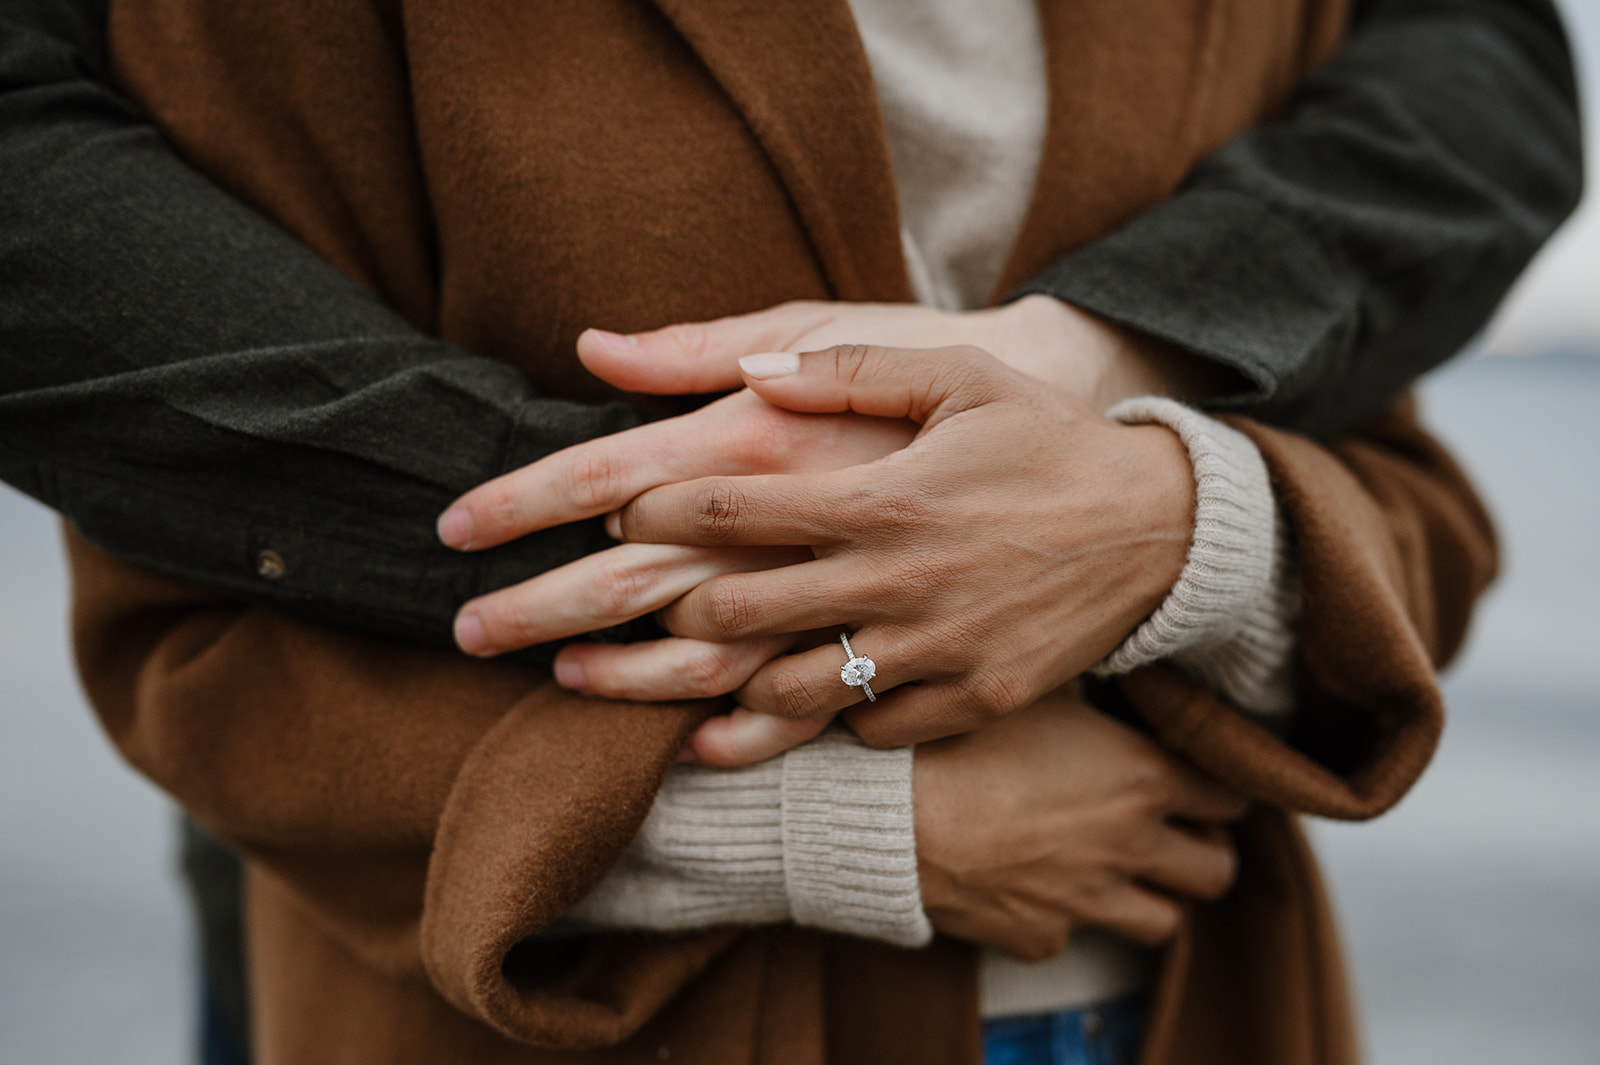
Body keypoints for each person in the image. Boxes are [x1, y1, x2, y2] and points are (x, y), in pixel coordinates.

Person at [0, 1, 1577, 1063]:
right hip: (531, 1005)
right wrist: (843, 831)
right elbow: (199, 640)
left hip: (1153, 981)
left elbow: (1415, 505)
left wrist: (1165, 501)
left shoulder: (1297, 66)